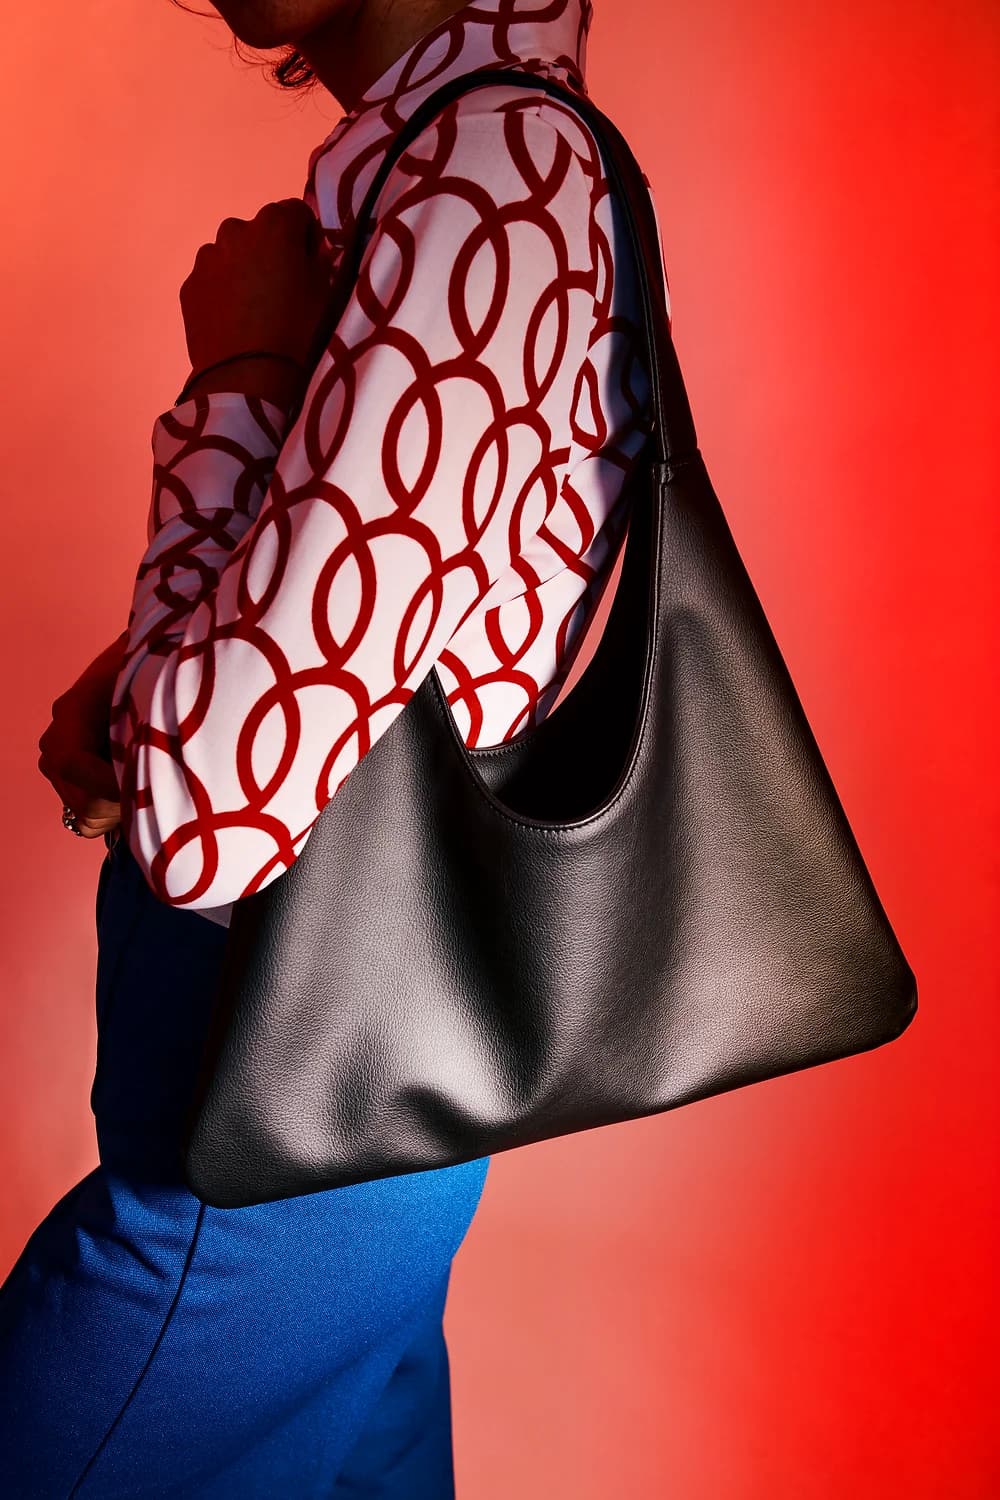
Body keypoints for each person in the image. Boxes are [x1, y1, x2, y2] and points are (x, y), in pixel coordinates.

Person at [1, 0, 662, 1491]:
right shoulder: (497, 153)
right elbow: (414, 628)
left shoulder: (482, 172)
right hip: (364, 1123)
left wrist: (233, 380)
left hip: (256, 1151)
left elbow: (213, 815)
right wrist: (146, 679)